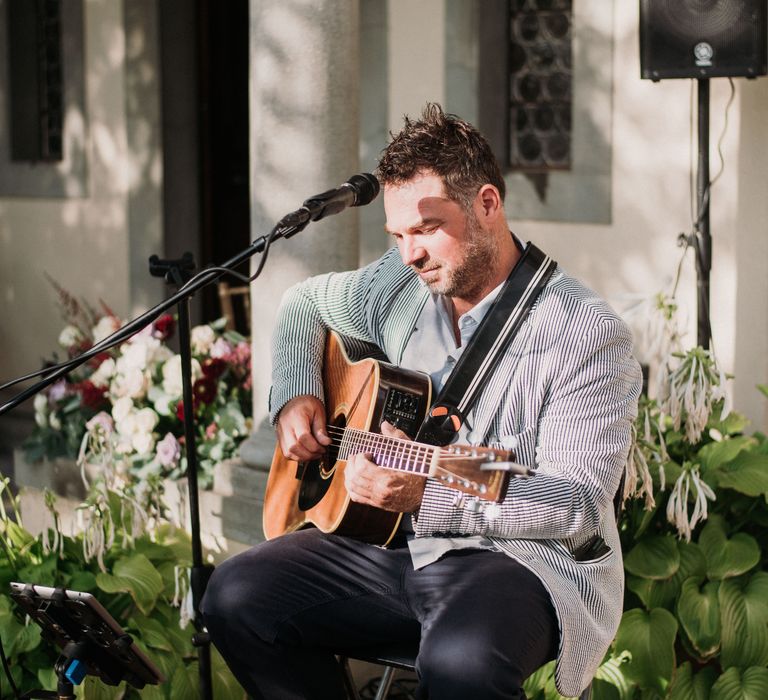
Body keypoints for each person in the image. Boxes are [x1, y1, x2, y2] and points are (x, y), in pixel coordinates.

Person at [202, 103, 642, 699]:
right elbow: (306, 304)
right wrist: (298, 392)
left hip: (522, 561)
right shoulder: (404, 282)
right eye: (399, 234)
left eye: (428, 227)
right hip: (391, 545)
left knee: (462, 662)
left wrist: (428, 488)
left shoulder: (583, 330)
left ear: (487, 204)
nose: (411, 252)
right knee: (235, 597)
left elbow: (576, 504)